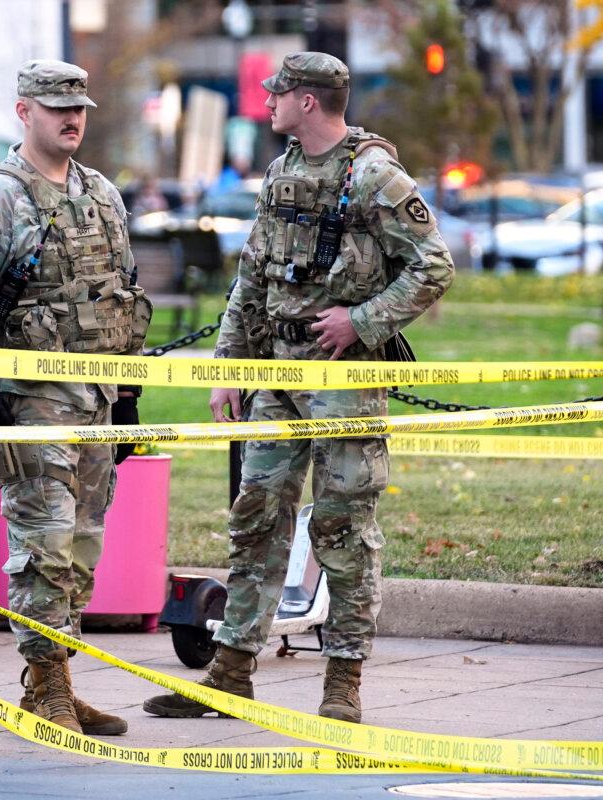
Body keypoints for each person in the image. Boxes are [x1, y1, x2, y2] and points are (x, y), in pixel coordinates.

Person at [143, 52, 454, 723]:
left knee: (342, 527)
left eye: (276, 92)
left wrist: (361, 321)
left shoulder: (375, 174)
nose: (267, 100)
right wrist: (231, 364)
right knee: (255, 520)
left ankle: (341, 683)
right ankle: (229, 674)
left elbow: (432, 266)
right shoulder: (283, 171)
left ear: (307, 101)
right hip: (278, 375)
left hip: (342, 378)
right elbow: (253, 275)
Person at [0, 60, 151, 736]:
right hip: (30, 401)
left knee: (81, 547)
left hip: (96, 398)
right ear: (24, 113)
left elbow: (123, 297)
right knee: (43, 544)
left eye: (79, 108)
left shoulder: (101, 192)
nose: (71, 118)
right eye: (55, 108)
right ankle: (47, 687)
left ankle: (56, 678)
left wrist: (128, 395)